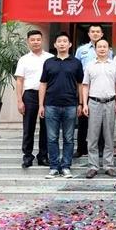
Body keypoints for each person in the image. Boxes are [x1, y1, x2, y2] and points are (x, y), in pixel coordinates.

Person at [39, 32, 84, 179]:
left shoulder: (76, 63)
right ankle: (53, 167)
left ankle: (65, 166)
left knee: (68, 138)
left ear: (70, 44)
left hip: (70, 105)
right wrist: (41, 105)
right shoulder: (48, 62)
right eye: (59, 41)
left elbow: (80, 84)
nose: (62, 43)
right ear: (55, 44)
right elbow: (43, 84)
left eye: (65, 41)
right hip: (51, 105)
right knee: (52, 138)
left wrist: (80, 103)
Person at [81, 38, 116, 179]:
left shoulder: (114, 65)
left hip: (110, 102)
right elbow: (85, 85)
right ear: (95, 49)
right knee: (93, 136)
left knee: (109, 135)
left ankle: (109, 165)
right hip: (94, 103)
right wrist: (85, 104)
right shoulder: (90, 65)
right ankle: (93, 166)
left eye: (105, 47)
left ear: (109, 49)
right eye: (99, 47)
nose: (102, 49)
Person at [15, 30, 53, 168]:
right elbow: (19, 81)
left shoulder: (50, 58)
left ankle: (43, 156)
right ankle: (27, 156)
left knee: (46, 127)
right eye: (33, 40)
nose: (36, 42)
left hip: (47, 95)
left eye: (38, 39)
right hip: (30, 95)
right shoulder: (24, 59)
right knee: (28, 127)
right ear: (28, 41)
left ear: (42, 40)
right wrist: (19, 101)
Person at [74, 24, 112, 158]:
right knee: (83, 120)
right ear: (89, 34)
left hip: (101, 88)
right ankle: (81, 148)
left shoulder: (108, 50)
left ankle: (101, 149)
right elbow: (76, 67)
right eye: (93, 31)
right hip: (84, 87)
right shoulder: (81, 50)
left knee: (101, 124)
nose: (95, 34)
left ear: (102, 34)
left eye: (98, 32)